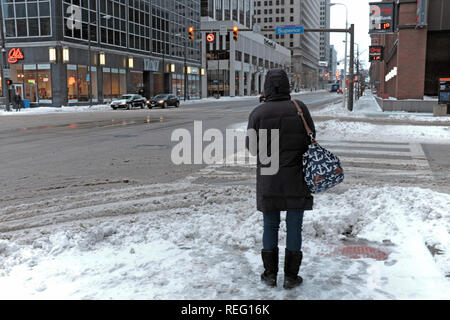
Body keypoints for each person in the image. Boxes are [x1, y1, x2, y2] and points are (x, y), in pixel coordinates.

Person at [246, 68, 316, 290]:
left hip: (269, 178)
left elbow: (251, 147)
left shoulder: (258, 113)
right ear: (287, 85)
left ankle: (269, 274)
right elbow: (311, 136)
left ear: (266, 86)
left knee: (270, 224)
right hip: (297, 176)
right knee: (295, 226)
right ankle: (290, 277)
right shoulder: (299, 109)